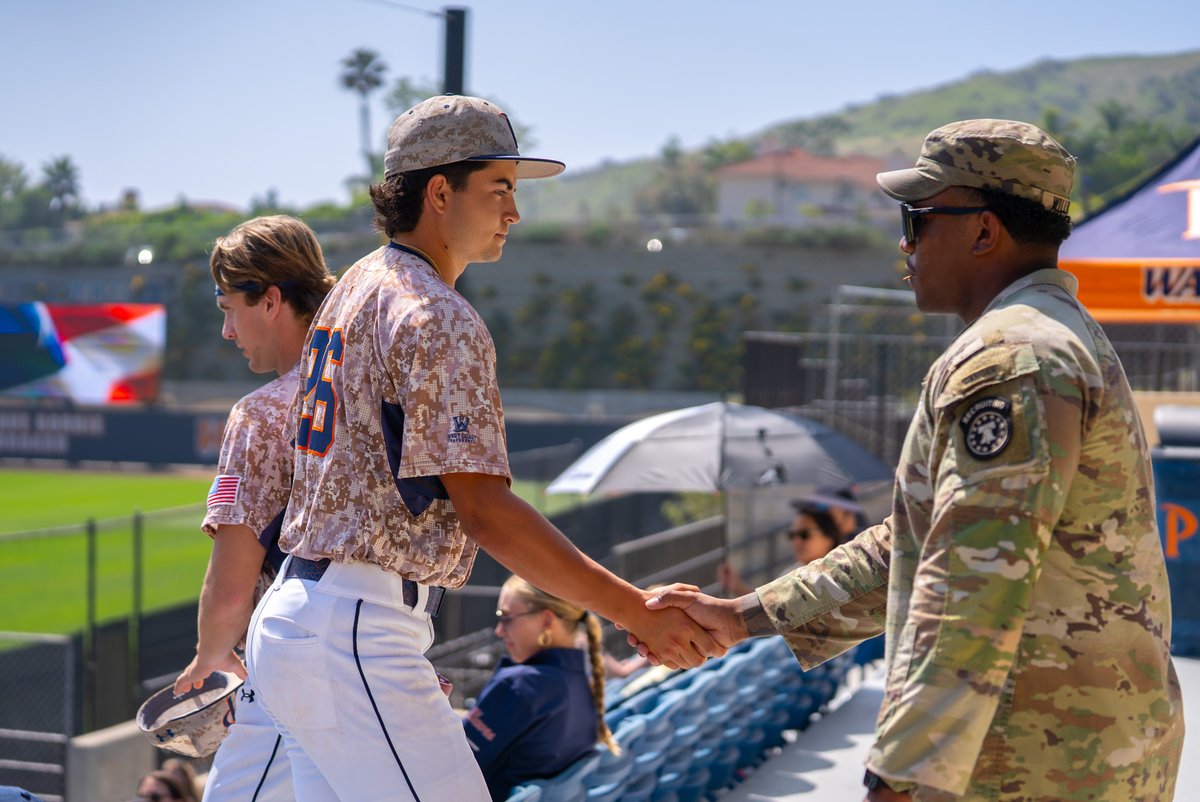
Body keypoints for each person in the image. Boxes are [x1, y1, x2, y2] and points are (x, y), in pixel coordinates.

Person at [644, 120, 1185, 801]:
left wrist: (903, 774)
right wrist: (747, 615)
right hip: (1073, 753)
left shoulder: (1010, 357)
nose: (905, 244)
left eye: (918, 218)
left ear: (984, 231)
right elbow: (924, 544)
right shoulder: (1051, 338)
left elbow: (973, 581)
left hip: (1028, 765)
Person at [245, 95, 721, 801]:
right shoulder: (436, 313)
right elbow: (487, 513)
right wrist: (630, 609)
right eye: (500, 187)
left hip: (303, 617)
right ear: (440, 191)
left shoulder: (354, 288)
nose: (514, 212)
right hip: (353, 623)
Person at [171, 215, 336, 801]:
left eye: (227, 307)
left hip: (293, 659)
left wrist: (210, 656)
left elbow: (234, 571)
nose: (225, 329)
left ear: (270, 299)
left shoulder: (262, 412)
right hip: (385, 643)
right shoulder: (376, 388)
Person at [464, 576, 618, 800]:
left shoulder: (518, 687)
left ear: (546, 621)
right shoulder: (585, 682)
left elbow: (451, 766)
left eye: (506, 618)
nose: (499, 630)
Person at [717, 494, 847, 596]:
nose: (796, 541)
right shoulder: (794, 572)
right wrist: (737, 587)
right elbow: (769, 606)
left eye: (804, 534)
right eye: (792, 535)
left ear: (828, 537)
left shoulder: (842, 575)